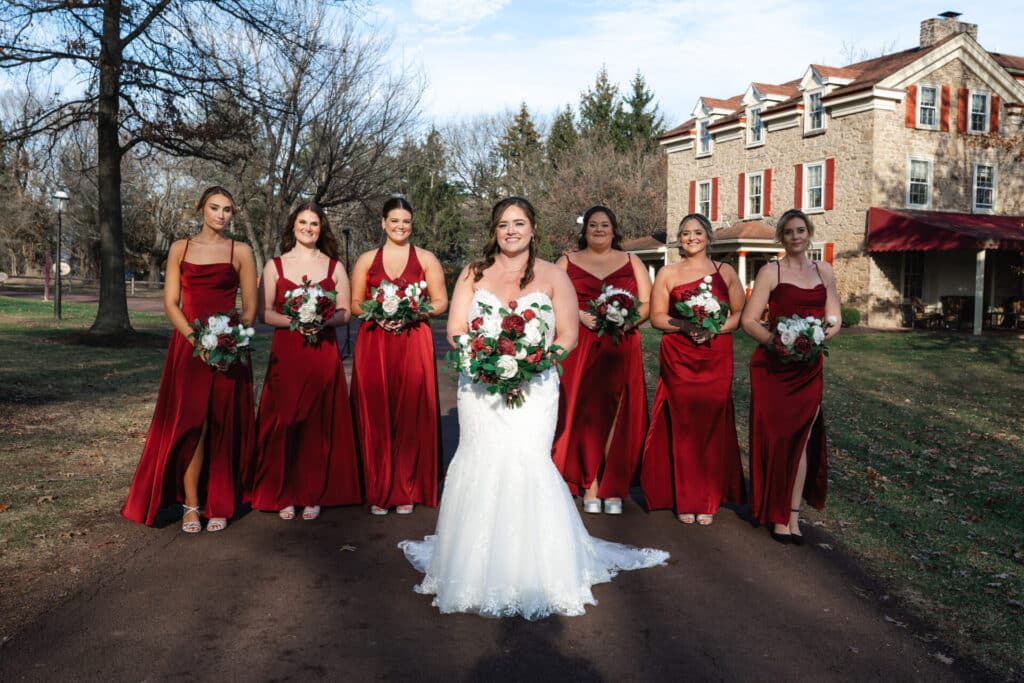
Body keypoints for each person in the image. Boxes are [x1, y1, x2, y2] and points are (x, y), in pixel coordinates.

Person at [399, 196, 668, 620]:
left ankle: (536, 567)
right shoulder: (473, 273)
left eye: (519, 222)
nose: (511, 230)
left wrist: (530, 363)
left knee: (527, 461)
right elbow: (454, 331)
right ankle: (470, 567)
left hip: (536, 387)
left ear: (532, 228)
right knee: (480, 460)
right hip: (481, 386)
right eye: (504, 223)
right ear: (494, 229)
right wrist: (484, 360)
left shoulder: (552, 275)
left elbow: (568, 336)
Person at [121, 186, 258, 533]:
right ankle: (191, 505)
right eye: (215, 208)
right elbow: (171, 303)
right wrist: (197, 340)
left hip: (229, 350)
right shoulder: (180, 249)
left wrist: (229, 344)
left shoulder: (240, 251)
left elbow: (251, 309)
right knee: (191, 426)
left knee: (223, 425)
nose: (221, 215)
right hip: (189, 348)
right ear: (201, 208)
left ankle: (219, 504)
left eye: (228, 210)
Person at [249, 203, 362, 521]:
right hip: (287, 353)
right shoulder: (275, 266)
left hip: (322, 354)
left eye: (314, 223)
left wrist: (321, 322)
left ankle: (313, 493)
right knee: (285, 421)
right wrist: (297, 321)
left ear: (321, 228)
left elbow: (345, 312)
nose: (308, 228)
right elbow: (265, 312)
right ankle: (284, 493)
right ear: (293, 226)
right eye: (303, 222)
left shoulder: (334, 267)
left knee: (317, 422)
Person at [741, 209, 841, 545]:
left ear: (809, 232)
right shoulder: (771, 272)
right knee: (777, 439)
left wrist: (815, 338)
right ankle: (774, 510)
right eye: (788, 232)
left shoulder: (823, 270)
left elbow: (834, 317)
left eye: (801, 230)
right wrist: (778, 342)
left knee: (801, 441)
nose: (796, 237)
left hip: (809, 367)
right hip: (773, 369)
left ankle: (792, 515)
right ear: (781, 238)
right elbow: (750, 321)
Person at [640, 214, 746, 525]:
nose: (691, 238)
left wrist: (714, 329)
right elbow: (658, 317)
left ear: (708, 236)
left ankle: (709, 498)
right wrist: (686, 325)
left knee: (712, 424)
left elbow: (740, 314)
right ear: (679, 239)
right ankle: (687, 497)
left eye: (697, 232)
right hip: (679, 357)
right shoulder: (668, 273)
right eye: (685, 233)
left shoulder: (724, 271)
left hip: (715, 355)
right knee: (684, 426)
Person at [349, 197, 448, 515]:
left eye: (406, 221)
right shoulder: (366, 259)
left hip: (413, 339)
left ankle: (407, 486)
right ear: (383, 222)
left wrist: (411, 312)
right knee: (377, 409)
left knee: (410, 408)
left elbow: (440, 302)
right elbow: (354, 303)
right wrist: (376, 314)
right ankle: (379, 487)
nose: (400, 226)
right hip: (375, 341)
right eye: (394, 220)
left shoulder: (426, 258)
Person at [552, 205, 651, 515]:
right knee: (584, 413)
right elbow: (551, 302)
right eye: (593, 225)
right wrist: (579, 314)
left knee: (617, 414)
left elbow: (647, 303)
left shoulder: (632, 261)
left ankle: (613, 485)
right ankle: (589, 482)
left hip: (621, 344)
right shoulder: (566, 262)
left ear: (614, 229)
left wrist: (628, 321)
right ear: (585, 231)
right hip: (580, 345)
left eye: (604, 225)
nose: (598, 230)